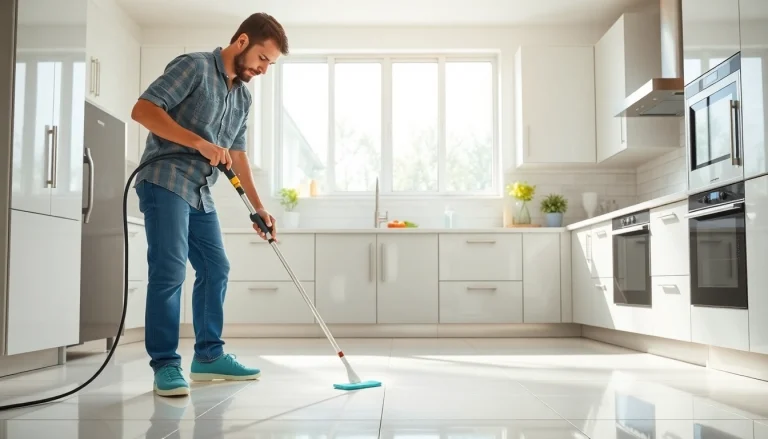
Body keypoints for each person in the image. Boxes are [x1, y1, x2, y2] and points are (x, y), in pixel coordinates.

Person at [130, 12, 289, 397]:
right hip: (164, 180)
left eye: (270, 63)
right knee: (170, 272)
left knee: (216, 268)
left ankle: (208, 356)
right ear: (242, 42)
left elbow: (237, 154)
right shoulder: (194, 66)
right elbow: (144, 110)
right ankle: (166, 364)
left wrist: (259, 207)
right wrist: (198, 142)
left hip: (200, 192)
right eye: (263, 59)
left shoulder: (242, 97)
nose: (265, 69)